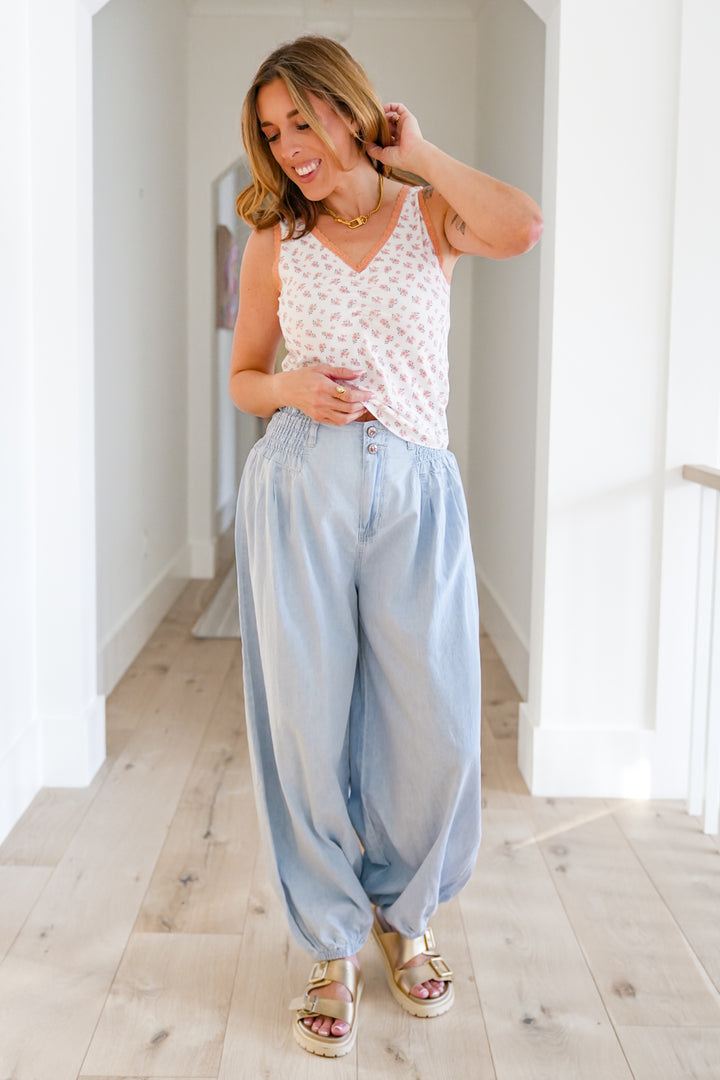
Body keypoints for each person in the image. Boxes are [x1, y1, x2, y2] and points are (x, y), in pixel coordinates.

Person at [229, 34, 542, 1058]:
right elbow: (244, 377)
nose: (290, 146)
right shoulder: (275, 240)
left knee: (436, 723)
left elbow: (522, 227)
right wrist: (289, 386)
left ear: (349, 106)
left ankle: (406, 915)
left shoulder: (428, 213)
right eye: (272, 132)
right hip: (300, 484)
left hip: (416, 492)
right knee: (307, 723)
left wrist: (424, 154)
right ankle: (331, 941)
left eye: (303, 119)